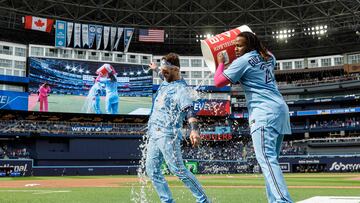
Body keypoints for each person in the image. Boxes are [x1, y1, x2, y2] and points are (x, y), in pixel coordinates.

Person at [214, 32, 293, 203]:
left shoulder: (242, 61)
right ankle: (275, 200)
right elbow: (264, 52)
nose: (235, 48)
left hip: (264, 112)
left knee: (267, 160)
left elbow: (218, 82)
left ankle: (283, 201)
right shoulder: (269, 56)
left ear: (249, 46)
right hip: (280, 110)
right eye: (235, 45)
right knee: (271, 162)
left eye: (239, 45)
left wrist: (220, 64)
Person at [146, 53, 210, 203]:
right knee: (152, 170)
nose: (162, 73)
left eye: (165, 71)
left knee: (178, 169)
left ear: (175, 70)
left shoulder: (181, 90)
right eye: (162, 71)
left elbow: (189, 110)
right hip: (154, 133)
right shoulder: (166, 80)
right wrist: (156, 68)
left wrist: (194, 129)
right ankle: (167, 201)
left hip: (168, 134)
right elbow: (162, 76)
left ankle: (204, 201)